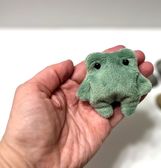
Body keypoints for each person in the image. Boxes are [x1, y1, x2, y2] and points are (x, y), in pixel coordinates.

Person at [0, 45, 153, 168]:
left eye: (125, 62)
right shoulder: (94, 74)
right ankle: (115, 105)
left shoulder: (109, 72)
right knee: (115, 99)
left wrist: (15, 159)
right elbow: (84, 90)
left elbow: (84, 91)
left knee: (121, 99)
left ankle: (118, 104)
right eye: (98, 65)